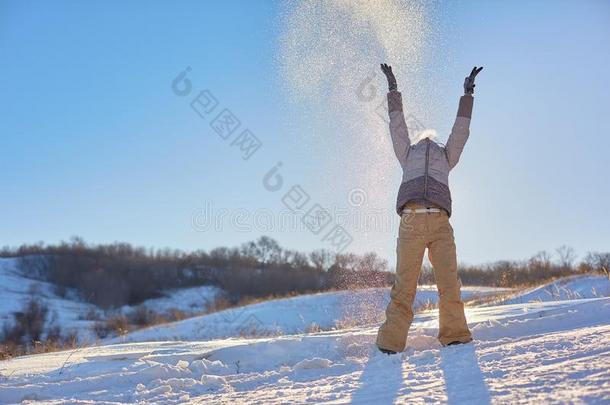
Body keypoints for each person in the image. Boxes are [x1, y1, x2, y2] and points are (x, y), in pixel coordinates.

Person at [376, 64, 483, 354]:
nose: (427, 139)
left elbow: (460, 131)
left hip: (439, 224)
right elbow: (397, 126)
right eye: (424, 135)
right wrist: (393, 89)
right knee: (404, 286)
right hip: (411, 222)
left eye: (432, 137)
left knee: (449, 283)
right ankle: (390, 343)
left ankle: (455, 335)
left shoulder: (446, 156)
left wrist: (468, 94)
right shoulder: (407, 153)